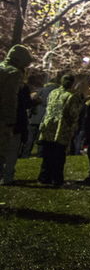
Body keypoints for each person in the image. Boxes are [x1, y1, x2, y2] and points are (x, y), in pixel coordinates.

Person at [37, 74, 84, 187]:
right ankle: (56, 179)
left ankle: (44, 177)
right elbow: (73, 113)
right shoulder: (72, 96)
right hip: (62, 128)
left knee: (47, 153)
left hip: (49, 126)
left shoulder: (53, 93)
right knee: (59, 154)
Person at [0, 45, 33, 185]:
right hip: (4, 119)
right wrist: (10, 120)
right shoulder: (13, 73)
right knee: (4, 151)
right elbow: (10, 99)